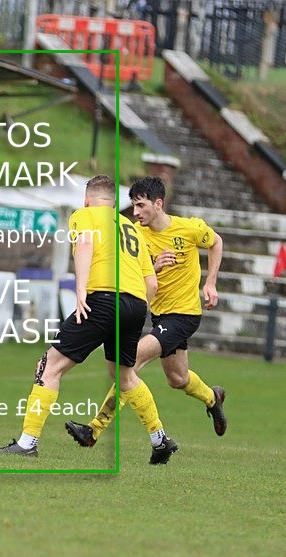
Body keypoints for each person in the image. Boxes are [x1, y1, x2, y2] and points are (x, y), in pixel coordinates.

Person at [0, 175, 179, 464]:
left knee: (48, 366)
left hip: (102, 300)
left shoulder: (84, 215)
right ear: (114, 203)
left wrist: (80, 291)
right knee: (125, 376)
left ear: (87, 199)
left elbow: (87, 244)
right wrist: (136, 311)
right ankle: (160, 439)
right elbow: (151, 283)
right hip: (135, 305)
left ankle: (27, 442)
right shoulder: (131, 228)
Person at [65, 176, 227, 447]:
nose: (136, 212)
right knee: (178, 379)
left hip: (185, 315)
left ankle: (93, 430)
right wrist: (155, 265)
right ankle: (213, 398)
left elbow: (216, 242)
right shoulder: (136, 236)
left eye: (141, 205)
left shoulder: (189, 229)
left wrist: (210, 282)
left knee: (129, 364)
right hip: (159, 315)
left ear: (159, 204)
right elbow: (138, 273)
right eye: (133, 206)